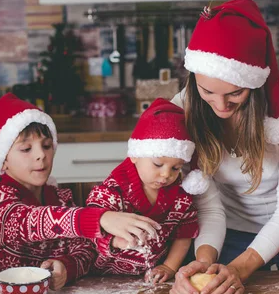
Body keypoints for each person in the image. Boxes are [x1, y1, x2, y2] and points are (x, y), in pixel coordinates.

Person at [169, 0, 279, 294]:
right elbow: (208, 204)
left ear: (253, 81)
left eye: (235, 93)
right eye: (208, 91)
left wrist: (242, 268)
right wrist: (204, 263)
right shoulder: (182, 109)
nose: (221, 106)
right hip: (226, 230)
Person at [0, 93, 159, 290]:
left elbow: (85, 250)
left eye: (46, 146)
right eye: (26, 149)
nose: (41, 155)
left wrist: (66, 266)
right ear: (3, 159)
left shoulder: (61, 199)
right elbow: (29, 221)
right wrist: (100, 219)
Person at [85, 98, 204, 282]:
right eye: (158, 164)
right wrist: (116, 241)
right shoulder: (111, 192)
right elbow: (90, 229)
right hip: (101, 278)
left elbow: (184, 235)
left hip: (150, 277)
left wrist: (169, 267)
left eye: (175, 168)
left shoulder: (180, 198)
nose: (166, 175)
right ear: (134, 156)